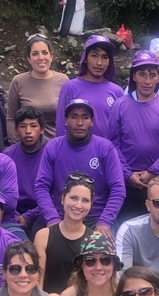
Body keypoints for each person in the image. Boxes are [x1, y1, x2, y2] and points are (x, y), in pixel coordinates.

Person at [109, 50, 159, 220]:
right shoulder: (120, 105)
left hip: (158, 181)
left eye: (152, 75)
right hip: (125, 181)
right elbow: (113, 143)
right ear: (134, 76)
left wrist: (152, 171)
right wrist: (128, 174)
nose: (147, 81)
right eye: (142, 74)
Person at [34, 99, 126, 231]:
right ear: (65, 120)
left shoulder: (105, 148)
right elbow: (41, 186)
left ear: (92, 121)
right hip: (60, 216)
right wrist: (51, 217)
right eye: (74, 117)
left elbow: (118, 189)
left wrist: (105, 221)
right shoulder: (53, 147)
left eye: (85, 117)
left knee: (106, 248)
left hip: (96, 218)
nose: (79, 123)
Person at [33, 174, 95, 295]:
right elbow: (37, 283)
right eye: (73, 198)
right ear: (62, 199)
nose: (78, 205)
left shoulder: (94, 238)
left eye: (85, 200)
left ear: (91, 204)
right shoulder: (43, 236)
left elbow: (94, 286)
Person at [55, 35, 124, 138]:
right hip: (76, 151)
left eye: (105, 57)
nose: (99, 63)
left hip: (107, 152)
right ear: (85, 58)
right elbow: (61, 127)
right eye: (94, 55)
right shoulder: (69, 88)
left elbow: (121, 129)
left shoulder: (117, 92)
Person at [6, 33, 68, 140]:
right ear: (29, 59)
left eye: (45, 53)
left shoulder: (63, 81)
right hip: (27, 148)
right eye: (35, 54)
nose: (41, 58)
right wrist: (16, 145)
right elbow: (11, 118)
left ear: (51, 56)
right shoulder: (18, 82)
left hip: (57, 146)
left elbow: (69, 118)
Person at [2, 106, 49, 231]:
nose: (28, 131)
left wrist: (29, 216)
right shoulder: (7, 156)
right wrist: (16, 214)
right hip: (14, 210)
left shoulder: (53, 152)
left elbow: (57, 193)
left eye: (33, 126)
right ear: (16, 130)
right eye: (23, 126)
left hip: (44, 208)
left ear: (42, 129)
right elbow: (2, 192)